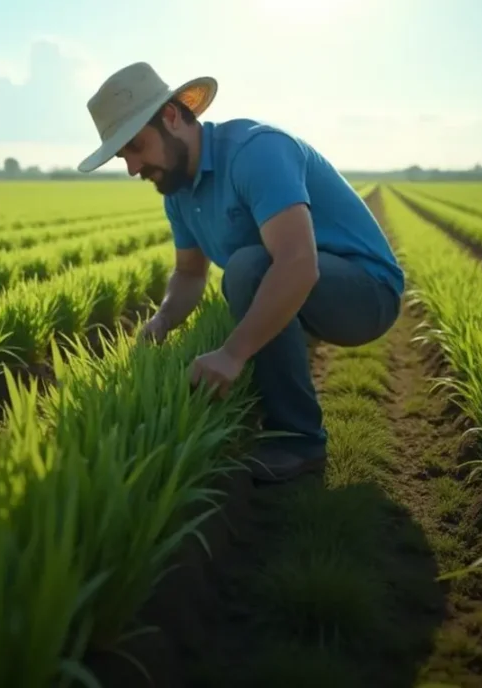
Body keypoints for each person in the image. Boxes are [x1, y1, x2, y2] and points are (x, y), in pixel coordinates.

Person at [76, 62, 405, 484]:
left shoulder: (256, 152)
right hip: (309, 288)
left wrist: (231, 354)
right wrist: (162, 321)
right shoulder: (177, 190)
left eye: (136, 146)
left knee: (247, 267)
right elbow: (190, 274)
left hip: (367, 294)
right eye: (124, 156)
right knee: (245, 271)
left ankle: (301, 441)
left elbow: (297, 263)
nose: (133, 167)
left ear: (172, 117)